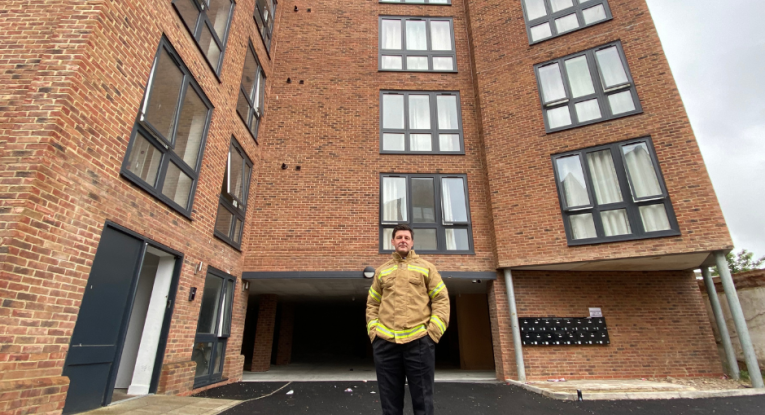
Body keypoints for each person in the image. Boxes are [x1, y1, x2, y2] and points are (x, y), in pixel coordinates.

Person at [366, 224, 450, 415]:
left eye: (406, 237)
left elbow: (441, 299)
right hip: (385, 343)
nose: (403, 240)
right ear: (393, 242)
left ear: (412, 242)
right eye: (399, 237)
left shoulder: (427, 268)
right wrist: (374, 334)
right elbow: (372, 304)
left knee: (423, 401)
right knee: (389, 403)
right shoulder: (381, 271)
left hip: (419, 342)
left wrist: (432, 334)